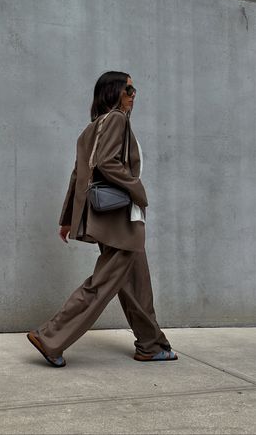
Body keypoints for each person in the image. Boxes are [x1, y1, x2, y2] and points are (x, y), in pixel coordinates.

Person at [27, 71, 178, 367]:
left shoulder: (91, 129)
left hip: (113, 220)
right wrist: (139, 192)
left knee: (137, 285)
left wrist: (69, 219)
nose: (135, 95)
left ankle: (151, 345)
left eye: (135, 90)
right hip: (119, 220)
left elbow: (78, 175)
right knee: (102, 284)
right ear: (114, 93)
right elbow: (108, 164)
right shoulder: (118, 120)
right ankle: (51, 337)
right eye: (129, 89)